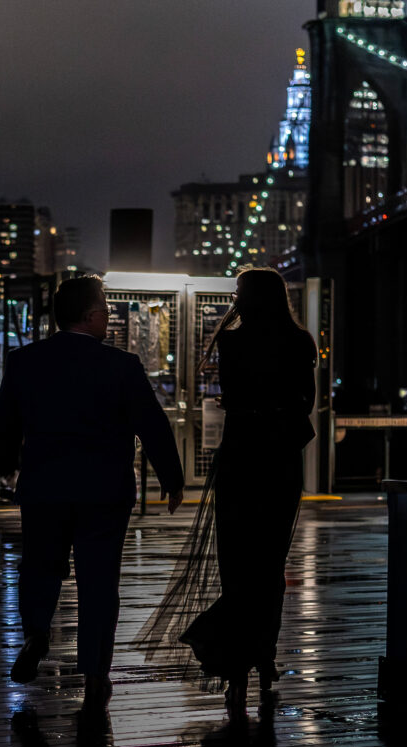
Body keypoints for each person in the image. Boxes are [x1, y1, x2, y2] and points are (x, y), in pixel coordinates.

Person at [0, 275, 184, 705]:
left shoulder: (24, 361)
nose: (109, 317)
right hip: (104, 490)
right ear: (92, 315)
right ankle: (96, 672)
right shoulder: (122, 365)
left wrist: (6, 469)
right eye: (106, 310)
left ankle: (36, 633)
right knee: (99, 580)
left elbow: (5, 422)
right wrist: (172, 479)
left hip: (43, 486)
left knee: (39, 567)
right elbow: (152, 425)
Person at [139, 267, 316, 720]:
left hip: (240, 460)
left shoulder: (232, 342)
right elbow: (305, 402)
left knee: (236, 563)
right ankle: (265, 655)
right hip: (279, 463)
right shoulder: (300, 342)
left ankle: (235, 668)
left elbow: (234, 395)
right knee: (270, 564)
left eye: (237, 292)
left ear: (247, 298)